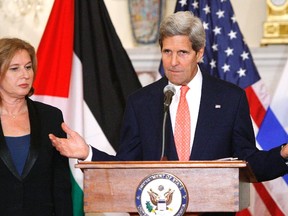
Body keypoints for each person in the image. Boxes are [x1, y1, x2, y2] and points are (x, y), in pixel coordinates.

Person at [49, 11, 288, 182]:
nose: (173, 62)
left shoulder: (230, 99)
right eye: (167, 52)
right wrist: (88, 153)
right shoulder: (140, 102)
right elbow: (126, 165)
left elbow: (250, 163)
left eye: (182, 53)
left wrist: (284, 153)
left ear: (199, 53)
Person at [0, 38, 73, 215]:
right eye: (15, 68)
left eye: (28, 67)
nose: (25, 75)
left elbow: (60, 185)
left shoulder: (51, 117)